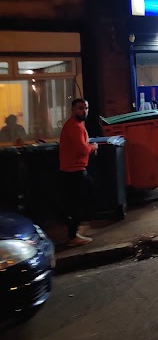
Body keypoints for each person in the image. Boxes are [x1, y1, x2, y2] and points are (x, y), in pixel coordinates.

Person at [59, 98, 98, 246]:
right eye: (80, 108)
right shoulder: (74, 126)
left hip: (75, 169)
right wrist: (93, 147)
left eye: (86, 108)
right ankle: (72, 236)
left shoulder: (77, 125)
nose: (84, 111)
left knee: (84, 197)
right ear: (73, 110)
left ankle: (75, 230)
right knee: (77, 203)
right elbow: (82, 149)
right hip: (74, 171)